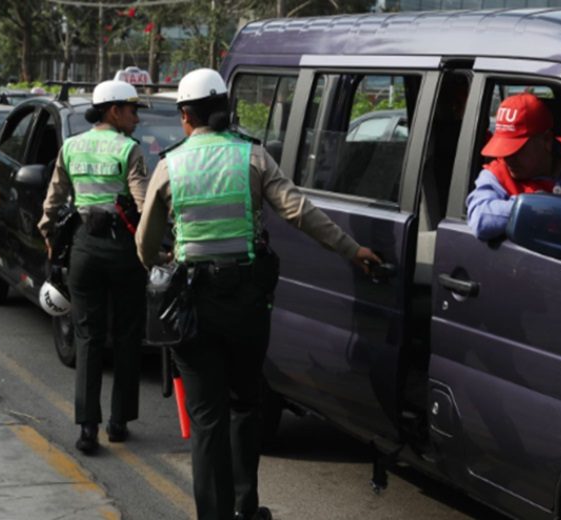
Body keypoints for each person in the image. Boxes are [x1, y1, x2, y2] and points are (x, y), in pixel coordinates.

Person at [134, 68, 382, 520]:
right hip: (247, 303)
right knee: (245, 407)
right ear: (226, 111)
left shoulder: (171, 165)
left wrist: (166, 260)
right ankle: (246, 510)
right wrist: (353, 249)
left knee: (206, 417)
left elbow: (146, 245)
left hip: (194, 305)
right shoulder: (253, 157)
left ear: (186, 115)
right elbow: (299, 212)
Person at [38, 80, 149, 454]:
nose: (136, 118)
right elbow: (143, 205)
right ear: (113, 111)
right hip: (122, 250)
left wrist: (49, 237)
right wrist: (158, 248)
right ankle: (119, 423)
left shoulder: (71, 147)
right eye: (132, 110)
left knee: (88, 337)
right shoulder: (128, 149)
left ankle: (88, 428)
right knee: (128, 334)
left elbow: (53, 201)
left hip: (83, 248)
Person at [466, 93, 561, 241]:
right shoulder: (497, 175)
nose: (508, 158)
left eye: (516, 149)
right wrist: (534, 205)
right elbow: (480, 218)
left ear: (547, 140)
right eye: (503, 148)